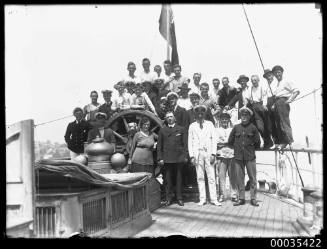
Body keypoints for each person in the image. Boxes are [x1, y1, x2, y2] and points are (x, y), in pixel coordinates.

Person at [228, 106, 261, 206]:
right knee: (239, 179)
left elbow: (257, 143)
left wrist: (249, 148)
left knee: (252, 178)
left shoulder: (253, 128)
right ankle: (241, 198)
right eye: (242, 115)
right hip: (238, 157)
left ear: (249, 116)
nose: (244, 116)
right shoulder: (236, 127)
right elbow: (230, 141)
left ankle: (253, 198)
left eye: (246, 115)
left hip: (250, 157)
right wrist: (237, 148)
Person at [188, 105, 220, 206]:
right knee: (200, 177)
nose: (200, 115)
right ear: (195, 114)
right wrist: (192, 156)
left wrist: (213, 154)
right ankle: (203, 199)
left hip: (208, 153)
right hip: (198, 154)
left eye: (202, 113)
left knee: (211, 177)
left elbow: (214, 140)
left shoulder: (210, 124)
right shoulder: (192, 126)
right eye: (198, 113)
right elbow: (190, 142)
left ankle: (214, 199)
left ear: (205, 114)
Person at [157, 112, 188, 206]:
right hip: (167, 158)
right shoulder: (162, 130)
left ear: (174, 118)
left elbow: (185, 144)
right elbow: (159, 146)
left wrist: (184, 156)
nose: (170, 118)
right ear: (166, 119)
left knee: (179, 179)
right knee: (167, 180)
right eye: (168, 117)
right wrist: (160, 158)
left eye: (171, 117)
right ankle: (168, 198)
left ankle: (179, 198)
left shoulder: (181, 129)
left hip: (178, 158)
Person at [269, 65, 300, 150]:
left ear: (282, 72)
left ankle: (289, 141)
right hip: (277, 103)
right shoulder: (278, 83)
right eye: (275, 73)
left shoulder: (287, 81)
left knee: (284, 122)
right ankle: (283, 142)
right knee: (278, 123)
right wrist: (274, 105)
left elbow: (296, 91)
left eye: (279, 72)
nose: (277, 74)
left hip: (283, 102)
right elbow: (277, 95)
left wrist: (290, 100)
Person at [214, 112, 237, 203]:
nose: (224, 120)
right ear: (220, 120)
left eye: (226, 119)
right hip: (221, 155)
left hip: (231, 155)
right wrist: (228, 142)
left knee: (232, 176)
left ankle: (234, 195)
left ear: (228, 120)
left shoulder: (232, 129)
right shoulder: (216, 130)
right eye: (222, 119)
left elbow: (234, 142)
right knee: (221, 176)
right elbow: (217, 142)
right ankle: (222, 195)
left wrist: (225, 142)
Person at [247, 75, 274, 148]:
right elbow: (248, 98)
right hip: (255, 108)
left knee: (267, 126)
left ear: (258, 80)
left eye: (255, 80)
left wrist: (264, 105)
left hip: (262, 106)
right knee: (259, 127)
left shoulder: (262, 87)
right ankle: (265, 141)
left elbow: (265, 96)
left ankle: (269, 142)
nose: (254, 82)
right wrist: (250, 101)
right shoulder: (250, 88)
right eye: (252, 80)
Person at [263, 68, 279, 147]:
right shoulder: (267, 85)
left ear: (272, 75)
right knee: (271, 124)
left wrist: (274, 104)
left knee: (277, 123)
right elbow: (265, 96)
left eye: (269, 75)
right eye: (266, 76)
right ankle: (275, 142)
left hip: (275, 101)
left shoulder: (276, 83)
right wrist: (265, 105)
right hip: (268, 103)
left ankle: (281, 141)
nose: (268, 77)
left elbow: (277, 95)